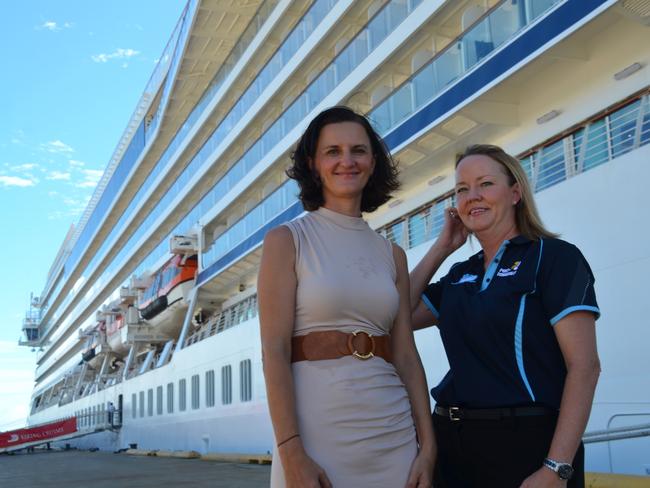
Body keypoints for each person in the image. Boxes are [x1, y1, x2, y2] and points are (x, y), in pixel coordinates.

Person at [259, 106, 435, 488]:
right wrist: (290, 450)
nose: (347, 161)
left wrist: (428, 445)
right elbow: (274, 350)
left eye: (358, 150)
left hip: (393, 433)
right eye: (332, 151)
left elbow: (406, 355)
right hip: (317, 436)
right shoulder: (287, 240)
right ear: (313, 163)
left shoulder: (392, 255)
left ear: (373, 161)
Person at [410, 144, 600, 488]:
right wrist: (441, 248)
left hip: (524, 445)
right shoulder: (458, 274)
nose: (472, 196)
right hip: (453, 446)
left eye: (485, 184)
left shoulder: (554, 258)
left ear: (515, 193)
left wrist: (556, 468)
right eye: (462, 189)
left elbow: (584, 367)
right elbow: (395, 315)